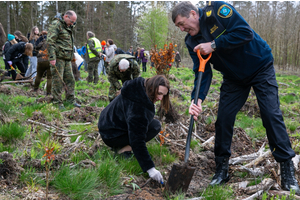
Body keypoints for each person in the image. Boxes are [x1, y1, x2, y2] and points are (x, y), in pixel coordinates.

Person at [172, 1, 300, 193]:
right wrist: (196, 100)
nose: (182, 29)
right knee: (223, 119)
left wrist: (214, 45)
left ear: (193, 14)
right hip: (234, 78)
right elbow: (202, 72)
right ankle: (221, 169)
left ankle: (287, 168)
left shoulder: (216, 11)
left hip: (260, 67)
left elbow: (244, 32)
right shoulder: (191, 42)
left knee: (270, 114)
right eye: (178, 27)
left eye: (183, 23)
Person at [98, 75, 170, 184]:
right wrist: (150, 168)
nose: (160, 98)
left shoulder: (138, 87)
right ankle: (122, 150)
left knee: (154, 125)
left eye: (163, 95)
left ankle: (122, 145)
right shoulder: (139, 105)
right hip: (111, 135)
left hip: (108, 126)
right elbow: (137, 139)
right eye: (159, 93)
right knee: (154, 127)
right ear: (151, 87)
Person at [47, 10, 81, 109]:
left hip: (67, 58)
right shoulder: (56, 24)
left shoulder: (67, 26)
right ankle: (57, 102)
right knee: (58, 81)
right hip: (58, 58)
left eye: (74, 22)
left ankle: (70, 99)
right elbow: (50, 41)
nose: (73, 24)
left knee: (70, 79)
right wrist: (52, 57)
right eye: (72, 21)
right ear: (66, 17)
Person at [33, 31, 52, 95]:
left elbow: (35, 50)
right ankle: (48, 92)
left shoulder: (38, 41)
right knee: (49, 77)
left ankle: (35, 89)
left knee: (39, 75)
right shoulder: (50, 41)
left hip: (40, 61)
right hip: (49, 60)